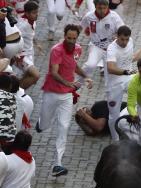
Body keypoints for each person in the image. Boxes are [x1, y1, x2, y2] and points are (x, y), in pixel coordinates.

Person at [36, 24, 93, 178]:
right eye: (69, 38)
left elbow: (74, 66)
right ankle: (41, 124)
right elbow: (54, 72)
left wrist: (86, 76)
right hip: (52, 93)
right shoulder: (56, 50)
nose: (71, 41)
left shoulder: (78, 49)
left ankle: (58, 164)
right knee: (45, 124)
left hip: (67, 95)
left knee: (64, 127)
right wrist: (68, 83)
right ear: (64, 35)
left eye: (74, 39)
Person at [80, 0, 123, 79]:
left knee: (109, 73)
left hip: (110, 47)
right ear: (95, 6)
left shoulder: (114, 17)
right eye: (100, 8)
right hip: (95, 45)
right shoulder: (89, 16)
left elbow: (122, 30)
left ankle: (109, 88)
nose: (102, 11)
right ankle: (77, 83)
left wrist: (117, 36)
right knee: (90, 65)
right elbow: (80, 27)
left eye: (105, 8)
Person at [105, 25, 133, 141]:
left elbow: (131, 57)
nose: (125, 42)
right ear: (117, 36)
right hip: (114, 85)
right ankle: (115, 140)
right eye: (122, 39)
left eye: (127, 39)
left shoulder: (130, 41)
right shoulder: (111, 49)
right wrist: (125, 71)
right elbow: (111, 68)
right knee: (113, 115)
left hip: (129, 79)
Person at [13, 0, 40, 90]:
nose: (37, 14)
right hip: (22, 55)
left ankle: (16, 91)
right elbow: (14, 38)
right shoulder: (22, 25)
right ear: (27, 13)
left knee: (28, 76)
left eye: (37, 12)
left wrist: (36, 44)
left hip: (30, 53)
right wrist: (17, 54)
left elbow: (30, 35)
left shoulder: (33, 21)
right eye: (34, 13)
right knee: (35, 75)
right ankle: (15, 92)